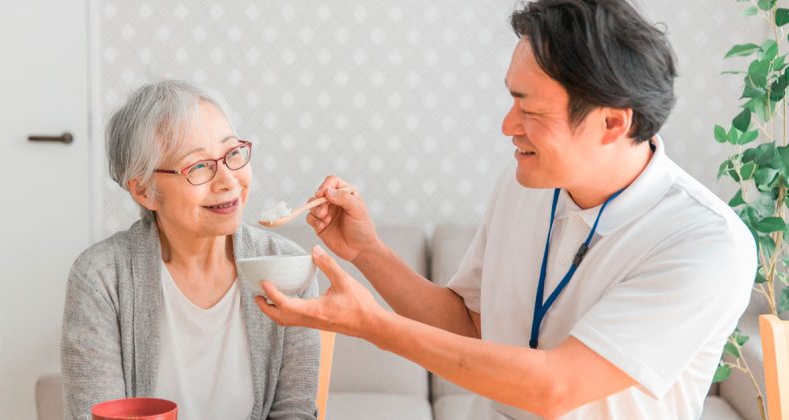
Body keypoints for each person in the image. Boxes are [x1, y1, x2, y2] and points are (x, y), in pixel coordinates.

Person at [255, 0, 757, 419]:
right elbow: (470, 324)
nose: (506, 126)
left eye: (530, 110)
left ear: (612, 123)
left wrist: (372, 327)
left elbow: (556, 387)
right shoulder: (526, 185)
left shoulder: (706, 243)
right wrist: (367, 252)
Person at [61, 80, 319, 420]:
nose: (228, 180)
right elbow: (95, 413)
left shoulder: (287, 267)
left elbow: (294, 412)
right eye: (198, 166)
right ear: (144, 190)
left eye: (233, 154)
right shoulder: (101, 278)